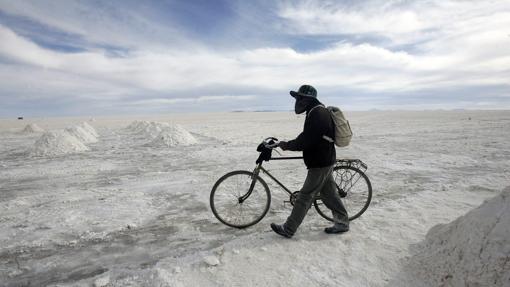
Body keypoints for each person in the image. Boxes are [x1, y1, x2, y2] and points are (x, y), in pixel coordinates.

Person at [270, 84, 349, 238]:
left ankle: (288, 229)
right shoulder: (315, 111)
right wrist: (287, 143)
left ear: (308, 100)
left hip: (320, 162)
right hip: (324, 159)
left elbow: (307, 140)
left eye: (300, 98)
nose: (297, 101)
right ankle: (342, 223)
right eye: (297, 98)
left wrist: (287, 145)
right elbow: (308, 135)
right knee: (330, 195)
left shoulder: (318, 113)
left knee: (304, 197)